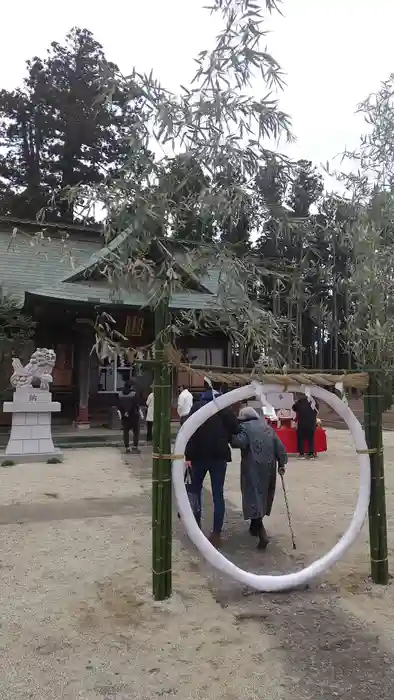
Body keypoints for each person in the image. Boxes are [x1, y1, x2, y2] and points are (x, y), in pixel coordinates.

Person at [185, 385, 239, 549]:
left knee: (195, 491)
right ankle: (216, 533)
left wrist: (187, 455)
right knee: (217, 494)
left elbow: (187, 430)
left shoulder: (196, 407)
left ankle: (196, 529)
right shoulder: (223, 407)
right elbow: (236, 428)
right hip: (219, 456)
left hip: (198, 456)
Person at [231, 406, 288, 549]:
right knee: (263, 496)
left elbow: (238, 443)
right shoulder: (267, 427)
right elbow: (279, 447)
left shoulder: (244, 427)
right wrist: (282, 463)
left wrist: (230, 433)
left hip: (252, 467)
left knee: (253, 496)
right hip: (269, 467)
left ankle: (262, 532)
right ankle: (254, 526)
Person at [116, 380, 144, 454]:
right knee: (136, 431)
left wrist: (124, 412)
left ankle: (127, 447)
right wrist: (129, 412)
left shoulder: (120, 394)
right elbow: (135, 405)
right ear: (131, 386)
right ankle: (135, 447)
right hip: (133, 416)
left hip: (124, 417)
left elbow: (118, 405)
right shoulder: (134, 394)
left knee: (126, 432)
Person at [292, 393, 319, 459]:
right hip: (311, 423)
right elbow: (317, 411)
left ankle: (301, 454)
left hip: (302, 423)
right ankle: (311, 453)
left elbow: (294, 408)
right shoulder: (315, 402)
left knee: (300, 438)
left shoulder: (300, 401)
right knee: (311, 438)